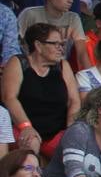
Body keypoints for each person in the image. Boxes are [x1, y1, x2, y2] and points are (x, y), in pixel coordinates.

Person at [4, 23, 80, 158]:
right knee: (31, 142)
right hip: (22, 127)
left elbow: (74, 100)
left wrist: (71, 126)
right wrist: (26, 126)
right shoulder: (18, 63)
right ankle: (31, 176)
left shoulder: (63, 66)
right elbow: (9, 98)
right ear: (38, 46)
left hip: (57, 130)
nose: (61, 49)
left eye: (62, 44)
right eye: (55, 44)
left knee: (74, 147)